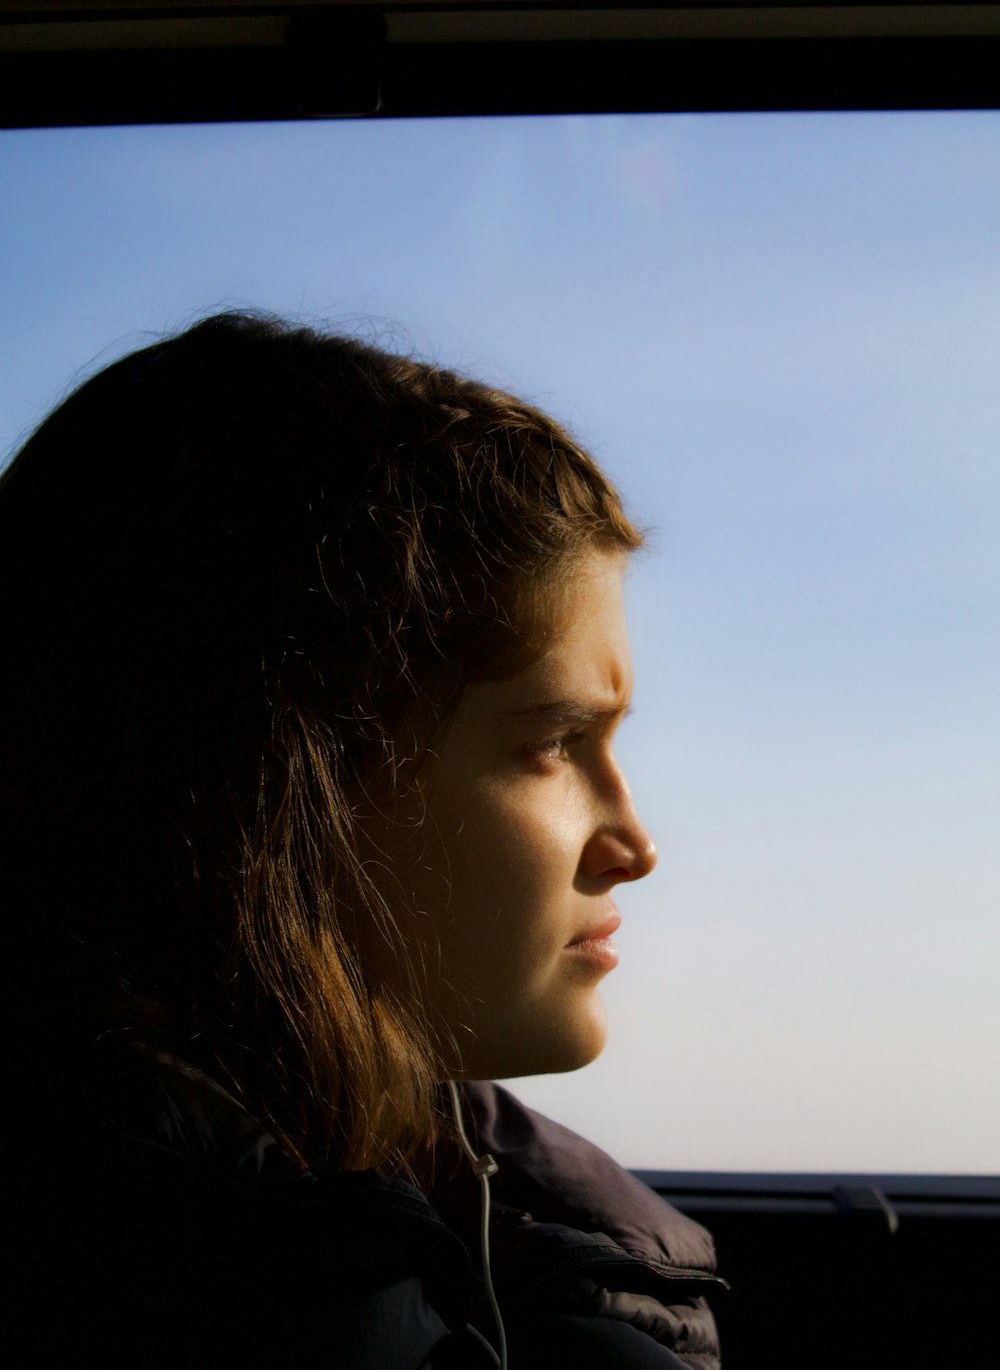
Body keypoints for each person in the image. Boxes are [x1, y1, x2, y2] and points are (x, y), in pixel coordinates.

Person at [1, 312, 725, 1366]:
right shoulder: (219, 1294)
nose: (632, 843)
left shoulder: (420, 1217)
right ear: (283, 788)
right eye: (557, 742)